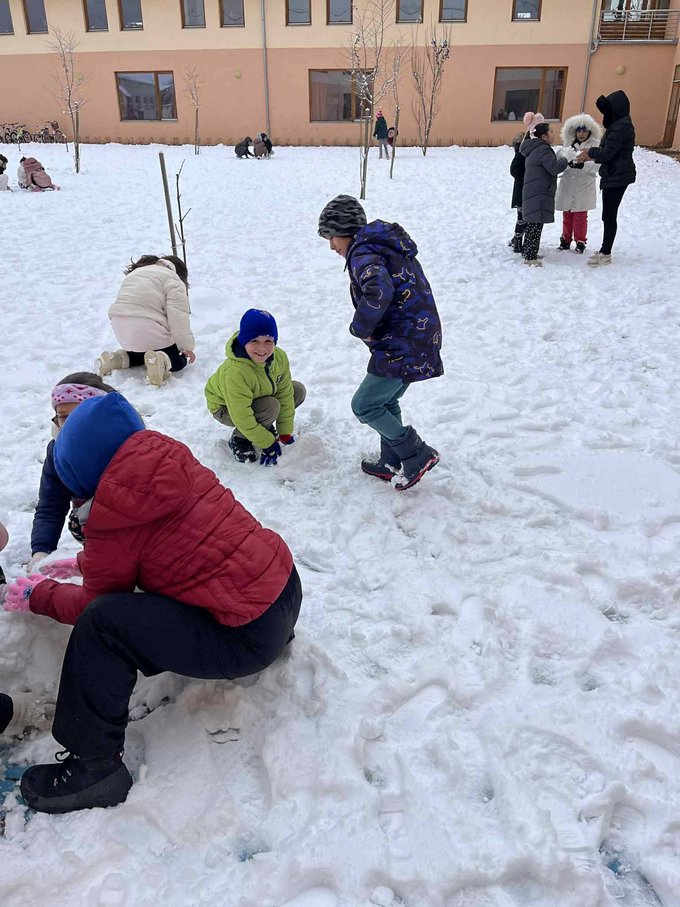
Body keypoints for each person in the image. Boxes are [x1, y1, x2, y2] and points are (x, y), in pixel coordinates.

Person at [1, 392, 302, 814]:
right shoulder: (171, 464)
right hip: (284, 593)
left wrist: (39, 596)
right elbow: (166, 543)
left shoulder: (110, 514)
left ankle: (95, 769)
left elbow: (94, 603)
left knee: (103, 624)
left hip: (244, 640)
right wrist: (85, 562)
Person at [318, 195, 443, 491]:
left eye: (331, 237)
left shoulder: (363, 253)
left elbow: (379, 290)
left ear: (344, 230)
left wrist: (361, 327)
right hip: (418, 337)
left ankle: (415, 453)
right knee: (386, 401)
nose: (331, 246)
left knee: (364, 405)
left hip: (401, 341)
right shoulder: (381, 247)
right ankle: (392, 460)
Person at [27, 373, 116, 574]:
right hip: (93, 528)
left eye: (78, 415)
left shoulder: (124, 443)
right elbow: (51, 504)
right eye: (63, 416)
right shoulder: (57, 451)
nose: (69, 425)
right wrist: (41, 550)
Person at [205, 309, 306, 465]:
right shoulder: (235, 372)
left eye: (268, 341)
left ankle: (263, 423)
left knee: (297, 391)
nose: (262, 349)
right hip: (225, 408)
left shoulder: (279, 358)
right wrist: (268, 442)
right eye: (254, 341)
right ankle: (239, 439)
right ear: (243, 340)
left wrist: (285, 432)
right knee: (271, 406)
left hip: (257, 396)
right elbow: (242, 416)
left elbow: (285, 393)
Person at [96, 255, 196, 387]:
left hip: (119, 325)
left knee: (142, 352)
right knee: (177, 360)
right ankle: (162, 361)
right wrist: (186, 347)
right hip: (148, 326)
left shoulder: (135, 273)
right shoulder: (173, 280)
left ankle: (118, 359)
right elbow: (178, 316)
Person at [575, 91, 636, 267]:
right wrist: (592, 155)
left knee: (609, 215)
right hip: (615, 174)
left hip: (617, 175)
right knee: (608, 215)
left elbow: (607, 153)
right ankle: (604, 250)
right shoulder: (620, 124)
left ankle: (606, 253)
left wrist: (590, 152)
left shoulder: (620, 127)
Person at [520, 113, 569, 267]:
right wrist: (565, 159)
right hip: (539, 193)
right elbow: (554, 168)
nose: (553, 134)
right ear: (544, 136)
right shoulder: (543, 150)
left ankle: (528, 251)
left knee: (532, 223)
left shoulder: (534, 148)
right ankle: (530, 257)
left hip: (534, 191)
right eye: (551, 131)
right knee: (535, 225)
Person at [555, 114, 602, 253]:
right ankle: (565, 239)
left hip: (584, 184)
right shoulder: (567, 145)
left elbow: (599, 165)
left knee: (581, 214)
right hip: (568, 182)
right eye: (578, 130)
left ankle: (580, 241)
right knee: (567, 213)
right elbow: (559, 160)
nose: (581, 134)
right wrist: (567, 163)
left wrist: (583, 166)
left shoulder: (595, 146)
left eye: (584, 130)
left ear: (590, 131)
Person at [508, 132, 528, 254]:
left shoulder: (519, 156)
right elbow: (514, 171)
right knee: (522, 218)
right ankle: (517, 240)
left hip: (521, 191)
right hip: (522, 191)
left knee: (522, 218)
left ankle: (517, 239)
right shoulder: (520, 156)